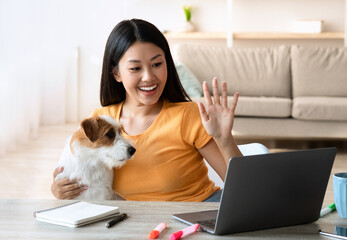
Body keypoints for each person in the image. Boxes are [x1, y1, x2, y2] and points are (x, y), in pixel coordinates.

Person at [51, 19, 242, 202]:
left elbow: (242, 185)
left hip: (199, 213)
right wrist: (59, 189)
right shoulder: (102, 121)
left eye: (157, 64)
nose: (149, 77)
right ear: (116, 73)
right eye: (135, 68)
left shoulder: (187, 115)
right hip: (137, 223)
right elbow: (76, 171)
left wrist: (225, 138)